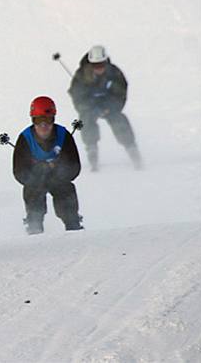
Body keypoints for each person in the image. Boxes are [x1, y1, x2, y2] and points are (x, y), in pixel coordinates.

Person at [13, 96, 84, 234]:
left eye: (48, 120)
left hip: (58, 179)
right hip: (36, 180)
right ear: (33, 121)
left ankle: (73, 225)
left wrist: (59, 172)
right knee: (32, 190)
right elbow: (19, 171)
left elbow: (74, 166)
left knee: (66, 190)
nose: (43, 125)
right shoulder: (25, 139)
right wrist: (38, 172)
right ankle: (34, 227)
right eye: (38, 120)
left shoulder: (64, 136)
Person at [68, 45, 142, 171]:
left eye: (101, 64)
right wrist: (89, 107)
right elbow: (77, 97)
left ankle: (131, 148)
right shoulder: (81, 75)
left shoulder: (114, 73)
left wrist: (110, 108)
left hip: (109, 106)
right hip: (91, 107)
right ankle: (92, 149)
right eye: (95, 65)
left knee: (119, 119)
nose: (99, 68)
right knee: (85, 119)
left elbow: (121, 94)